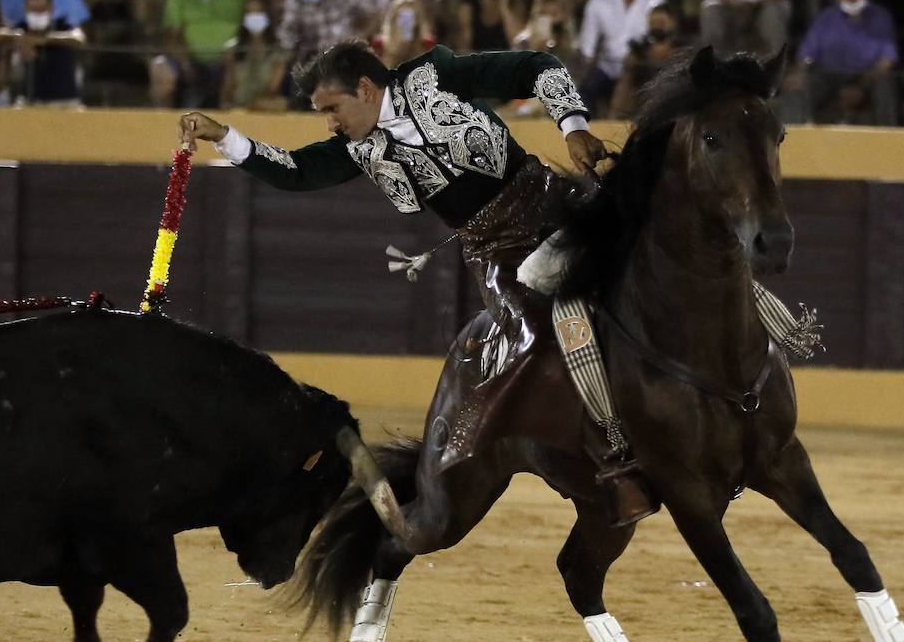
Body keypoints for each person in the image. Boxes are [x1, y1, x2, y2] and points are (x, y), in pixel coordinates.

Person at [177, 39, 659, 528]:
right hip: (499, 254)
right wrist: (224, 135)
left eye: (332, 108)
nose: (330, 123)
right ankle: (617, 462)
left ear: (364, 88)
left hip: (557, 207)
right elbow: (296, 172)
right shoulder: (356, 149)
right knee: (537, 337)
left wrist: (573, 127)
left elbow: (536, 67)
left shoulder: (435, 75)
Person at [782, 0, 900, 125]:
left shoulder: (881, 16)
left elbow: (887, 59)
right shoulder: (825, 18)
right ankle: (794, 139)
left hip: (867, 75)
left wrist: (861, 85)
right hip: (828, 75)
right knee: (796, 87)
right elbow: (807, 54)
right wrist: (800, 72)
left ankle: (889, 139)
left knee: (885, 85)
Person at [151, 0, 248, 108]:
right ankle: (161, 119)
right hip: (189, 61)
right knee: (160, 66)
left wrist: (231, 56)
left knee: (239, 68)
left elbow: (246, 31)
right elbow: (172, 35)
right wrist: (187, 64)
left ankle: (231, 120)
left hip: (228, 61)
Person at [577, 0, 666, 115]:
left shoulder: (656, 1)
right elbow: (587, 48)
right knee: (583, 92)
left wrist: (639, 58)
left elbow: (661, 43)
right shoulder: (598, 1)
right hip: (607, 68)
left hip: (642, 66)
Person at [10, 0, 85, 106]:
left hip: (65, 101)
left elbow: (79, 38)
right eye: (32, 9)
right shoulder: (21, 27)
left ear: (51, 8)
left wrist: (43, 40)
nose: (37, 14)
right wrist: (19, 39)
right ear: (25, 8)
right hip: (30, 100)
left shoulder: (64, 25)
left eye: (41, 9)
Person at [607, 2, 680, 118]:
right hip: (642, 99)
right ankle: (612, 120)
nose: (656, 27)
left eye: (660, 23)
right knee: (627, 76)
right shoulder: (642, 48)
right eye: (653, 23)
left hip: (670, 101)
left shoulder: (680, 46)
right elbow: (625, 80)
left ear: (672, 23)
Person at [220, 0, 288, 110]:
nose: (254, 16)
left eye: (259, 12)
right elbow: (228, 84)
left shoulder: (278, 50)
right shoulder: (233, 48)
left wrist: (252, 107)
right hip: (238, 108)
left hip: (265, 109)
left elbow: (273, 89)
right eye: (250, 12)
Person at [513, 0, 581, 81]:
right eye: (544, 14)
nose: (550, 20)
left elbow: (575, 80)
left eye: (554, 13)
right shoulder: (523, 43)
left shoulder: (574, 48)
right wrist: (537, 48)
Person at [371, 0, 435, 69]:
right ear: (394, 19)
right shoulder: (379, 44)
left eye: (411, 17)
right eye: (402, 17)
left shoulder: (426, 44)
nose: (406, 23)